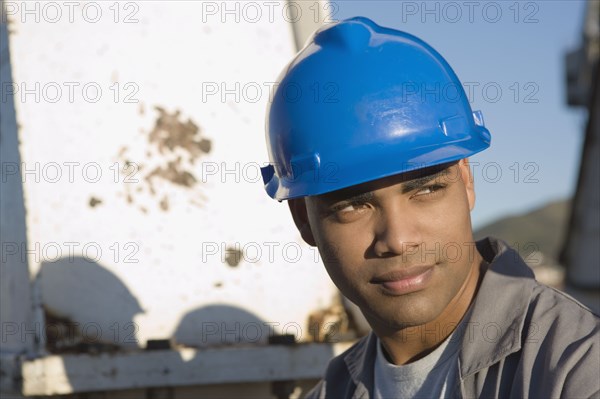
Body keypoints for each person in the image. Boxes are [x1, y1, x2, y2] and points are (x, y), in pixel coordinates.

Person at [260, 17, 600, 399]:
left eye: (425, 190)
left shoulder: (577, 372)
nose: (399, 240)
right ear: (303, 220)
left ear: (466, 182)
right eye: (353, 205)